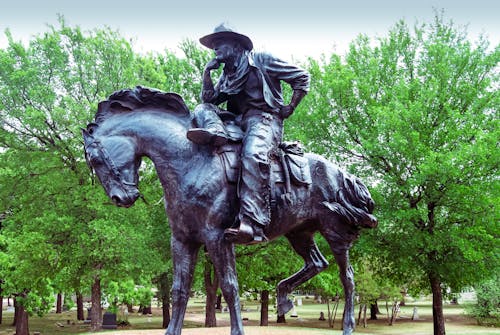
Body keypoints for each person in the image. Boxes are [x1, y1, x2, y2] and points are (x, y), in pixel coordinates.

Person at [187, 24, 310, 243]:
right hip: (237, 121)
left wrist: (289, 107)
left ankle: (252, 224)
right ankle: (216, 132)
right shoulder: (227, 74)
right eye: (213, 45)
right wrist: (207, 72)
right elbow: (209, 100)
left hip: (265, 119)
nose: (215, 49)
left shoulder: (261, 59)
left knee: (252, 155)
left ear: (236, 44)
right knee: (201, 110)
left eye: (219, 43)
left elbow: (302, 78)